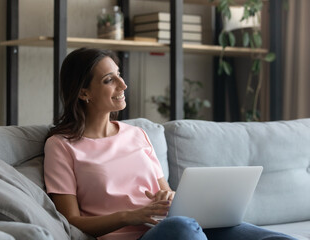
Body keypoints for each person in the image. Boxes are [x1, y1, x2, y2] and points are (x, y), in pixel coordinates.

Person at [43, 48, 296, 240]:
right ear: (83, 92)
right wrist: (130, 216)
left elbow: (167, 193)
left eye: (119, 75)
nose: (123, 85)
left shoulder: (137, 135)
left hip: (172, 226)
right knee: (183, 228)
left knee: (267, 237)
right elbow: (70, 220)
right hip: (141, 236)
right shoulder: (62, 146)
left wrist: (170, 196)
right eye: (109, 80)